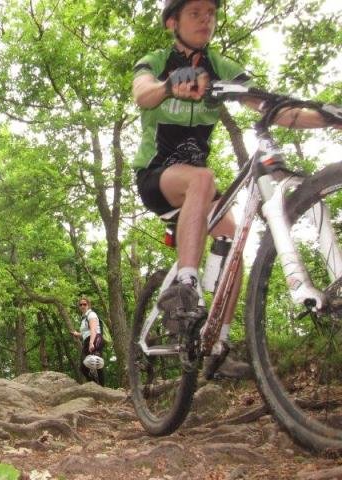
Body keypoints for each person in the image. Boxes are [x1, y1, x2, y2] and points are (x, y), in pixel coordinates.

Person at [131, 0, 341, 378]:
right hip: (156, 176)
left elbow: (274, 108)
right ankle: (185, 288)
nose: (205, 20)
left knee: (234, 242)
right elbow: (142, 93)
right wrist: (168, 85)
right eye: (195, 13)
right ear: (172, 22)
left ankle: (217, 344)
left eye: (210, 13)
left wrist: (328, 119)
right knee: (203, 176)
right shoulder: (156, 59)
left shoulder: (220, 66)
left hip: (196, 189)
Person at [71, 297, 105, 386]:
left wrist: (91, 343)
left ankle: (101, 387)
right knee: (84, 367)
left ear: (88, 305)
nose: (82, 306)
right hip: (87, 340)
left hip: (95, 339)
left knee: (96, 363)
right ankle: (95, 384)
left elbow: (93, 330)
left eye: (84, 304)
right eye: (80, 304)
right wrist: (77, 334)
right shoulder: (84, 318)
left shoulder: (91, 315)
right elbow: (85, 333)